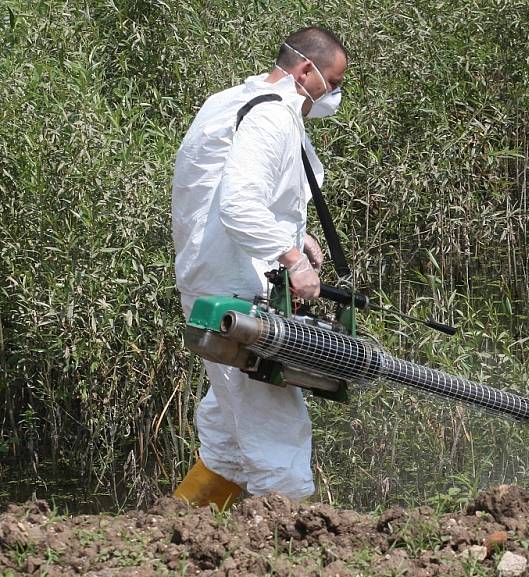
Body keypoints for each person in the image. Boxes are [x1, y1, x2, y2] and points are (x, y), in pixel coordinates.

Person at [170, 26, 348, 509]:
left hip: (210, 277)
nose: (333, 96)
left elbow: (217, 194)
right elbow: (241, 205)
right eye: (332, 83)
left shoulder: (228, 102)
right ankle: (292, 534)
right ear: (305, 70)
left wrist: (296, 236)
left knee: (229, 431)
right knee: (275, 422)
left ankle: (182, 526)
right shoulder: (272, 117)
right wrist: (291, 259)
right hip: (237, 290)